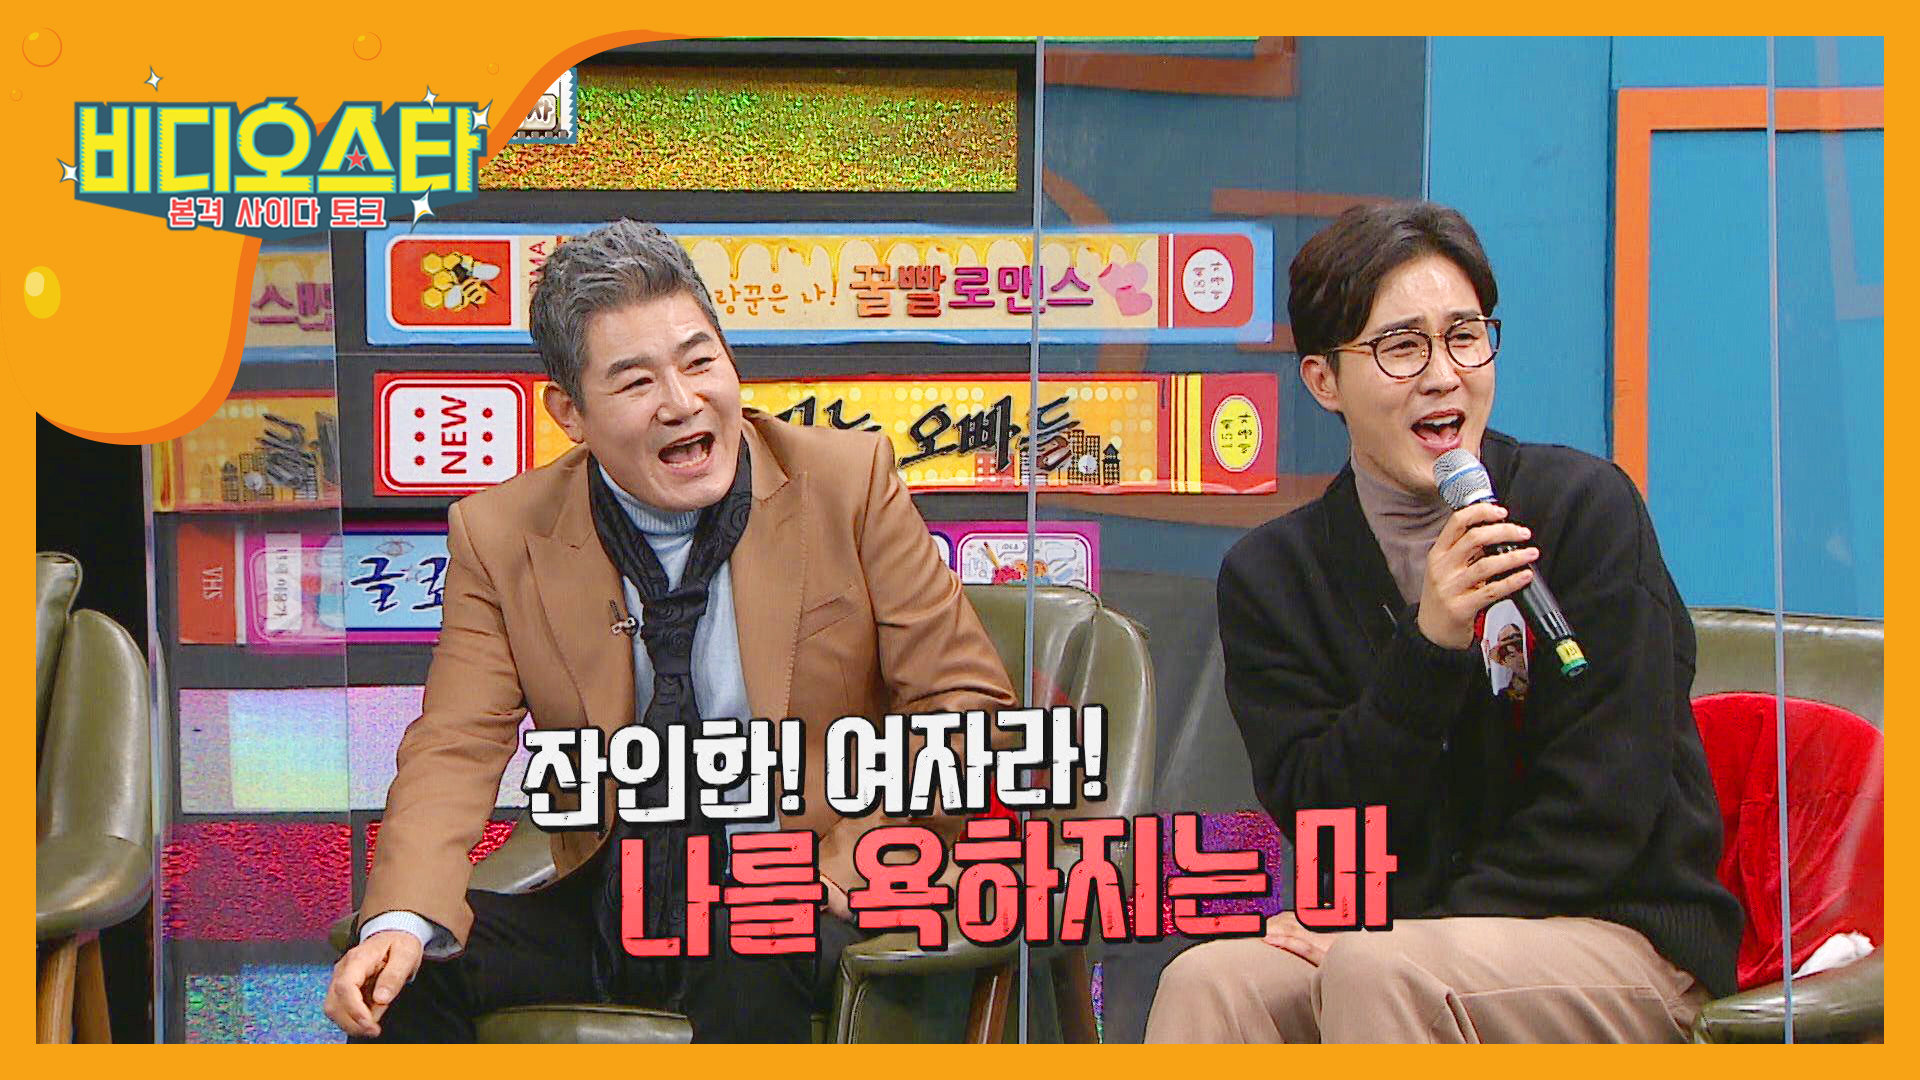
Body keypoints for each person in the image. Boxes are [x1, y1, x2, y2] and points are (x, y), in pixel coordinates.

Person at [323, 220, 1018, 1042]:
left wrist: (841, 866)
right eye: (635, 382)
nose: (682, 403)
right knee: (407, 973)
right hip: (619, 899)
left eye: (699, 361)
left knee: (749, 940)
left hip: (801, 885)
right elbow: (454, 744)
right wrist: (401, 919)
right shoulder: (502, 535)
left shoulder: (847, 485)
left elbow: (967, 712)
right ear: (570, 412)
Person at [1145, 201, 1742, 1043]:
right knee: (1210, 981)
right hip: (1404, 935)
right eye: (1402, 347)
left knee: (1379, 969)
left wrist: (1410, 928)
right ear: (1323, 380)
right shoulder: (1272, 576)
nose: (1443, 375)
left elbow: (1605, 806)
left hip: (1616, 932)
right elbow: (1325, 817)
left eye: (1465, 337)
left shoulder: (1583, 511)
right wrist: (1428, 647)